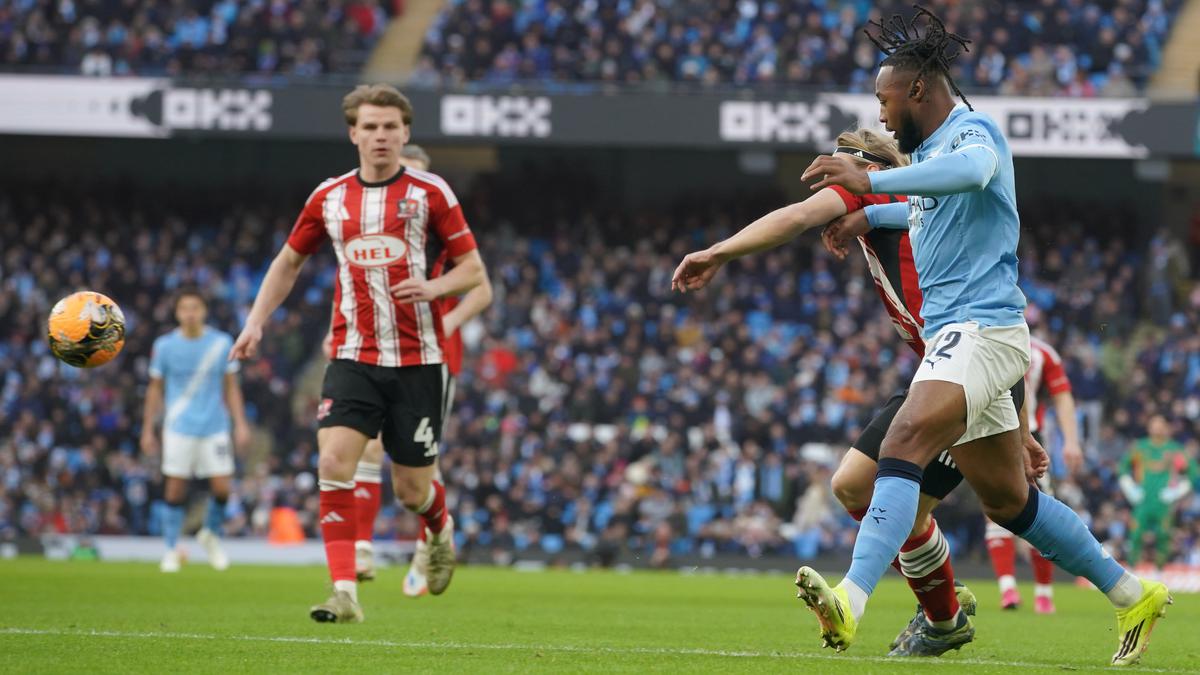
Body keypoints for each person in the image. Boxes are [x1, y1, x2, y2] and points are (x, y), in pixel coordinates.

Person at [790, 8, 1170, 666]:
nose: (881, 116)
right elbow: (928, 205)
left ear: (916, 90)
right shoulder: (928, 156)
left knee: (904, 442)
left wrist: (870, 181)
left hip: (981, 330)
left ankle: (852, 597)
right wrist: (871, 216)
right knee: (1010, 501)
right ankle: (1133, 593)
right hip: (967, 337)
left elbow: (970, 173)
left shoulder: (974, 131)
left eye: (884, 100)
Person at [673, 127, 993, 656]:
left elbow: (796, 217)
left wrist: (719, 252)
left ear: (866, 169)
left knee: (1012, 507)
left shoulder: (872, 192)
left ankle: (923, 606)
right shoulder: (908, 204)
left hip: (964, 376)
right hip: (947, 371)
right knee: (856, 488)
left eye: (836, 172)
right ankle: (941, 606)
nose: (828, 189)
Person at [230, 84, 486, 623]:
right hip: (353, 355)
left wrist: (434, 288)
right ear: (353, 133)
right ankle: (344, 592)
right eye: (370, 127)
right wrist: (255, 321)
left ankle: (439, 527)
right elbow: (288, 262)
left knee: (411, 489)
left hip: (419, 360)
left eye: (390, 126)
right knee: (333, 461)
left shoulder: (431, 193)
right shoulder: (329, 197)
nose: (380, 136)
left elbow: (473, 271)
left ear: (406, 132)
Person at [328, 143, 494, 594]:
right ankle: (361, 548)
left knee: (418, 466)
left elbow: (482, 287)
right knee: (367, 448)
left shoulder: (440, 225)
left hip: (431, 358)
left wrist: (448, 323)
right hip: (375, 352)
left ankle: (430, 543)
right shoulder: (372, 227)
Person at [141, 287, 250, 573]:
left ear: (204, 311)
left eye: (195, 308)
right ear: (177, 313)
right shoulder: (165, 346)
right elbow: (154, 389)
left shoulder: (221, 343)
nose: (190, 314)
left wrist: (240, 423)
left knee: (223, 488)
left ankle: (210, 534)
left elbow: (231, 387)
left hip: (215, 425)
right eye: (184, 308)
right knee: (175, 488)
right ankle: (170, 549)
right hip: (179, 426)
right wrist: (147, 429)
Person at [985, 331, 1083, 613]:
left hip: (1027, 437)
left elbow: (1062, 397)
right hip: (990, 433)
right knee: (996, 508)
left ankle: (1040, 592)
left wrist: (1071, 440)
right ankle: (1011, 590)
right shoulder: (984, 340)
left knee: (1037, 508)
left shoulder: (1042, 353)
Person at [1119, 415, 1199, 567]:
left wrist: (1177, 491)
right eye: (1154, 424)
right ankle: (1131, 568)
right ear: (1149, 427)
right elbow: (1122, 468)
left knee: (1164, 536)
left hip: (1163, 503)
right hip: (1143, 501)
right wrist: (1130, 489)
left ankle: (1160, 570)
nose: (1157, 428)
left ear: (1166, 428)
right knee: (1135, 535)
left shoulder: (1174, 449)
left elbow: (1193, 471)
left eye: (1161, 425)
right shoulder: (1140, 447)